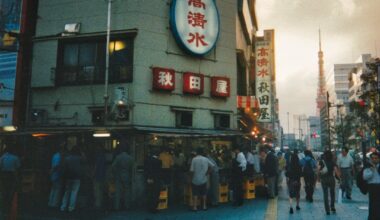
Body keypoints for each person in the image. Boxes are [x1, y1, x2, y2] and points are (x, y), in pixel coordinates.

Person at [60, 145, 84, 212]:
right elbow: (85, 160)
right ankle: (71, 207)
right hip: (76, 177)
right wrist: (82, 152)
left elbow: (64, 168)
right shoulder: (79, 158)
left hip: (68, 177)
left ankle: (63, 206)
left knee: (67, 192)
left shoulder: (67, 158)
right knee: (74, 192)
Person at [0, 143, 21, 216]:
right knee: (11, 191)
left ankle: (4, 206)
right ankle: (9, 205)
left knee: (4, 190)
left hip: (4, 175)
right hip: (12, 175)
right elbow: (18, 168)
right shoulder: (15, 158)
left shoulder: (2, 157)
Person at [189, 147, 213, 211]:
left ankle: (195, 207)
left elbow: (191, 170)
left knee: (195, 193)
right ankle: (204, 206)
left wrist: (190, 178)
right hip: (204, 178)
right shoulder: (206, 159)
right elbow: (212, 166)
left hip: (195, 179)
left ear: (196, 152)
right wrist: (207, 173)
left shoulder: (194, 159)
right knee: (204, 193)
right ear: (202, 152)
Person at [318, 149, 340, 215]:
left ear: (324, 155)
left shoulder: (321, 162)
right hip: (331, 178)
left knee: (325, 194)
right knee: (332, 193)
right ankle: (332, 206)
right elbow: (336, 170)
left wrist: (318, 178)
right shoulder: (332, 162)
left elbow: (318, 170)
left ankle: (327, 210)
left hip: (324, 179)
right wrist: (339, 178)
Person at [112, 146, 134, 211]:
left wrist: (116, 172)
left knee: (118, 191)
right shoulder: (130, 158)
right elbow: (133, 168)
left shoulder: (118, 157)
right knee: (127, 191)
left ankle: (117, 206)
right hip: (127, 175)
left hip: (118, 175)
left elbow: (113, 166)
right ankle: (127, 206)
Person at [363, 152, 380, 220]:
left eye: (376, 158)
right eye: (372, 158)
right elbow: (365, 177)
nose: (374, 160)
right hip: (372, 187)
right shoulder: (368, 166)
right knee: (372, 204)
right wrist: (372, 171)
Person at [145, 148, 162, 213]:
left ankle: (149, 207)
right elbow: (159, 172)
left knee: (150, 193)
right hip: (156, 179)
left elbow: (146, 170)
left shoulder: (147, 160)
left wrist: (148, 178)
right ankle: (154, 207)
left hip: (149, 179)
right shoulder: (159, 161)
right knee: (155, 193)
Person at [48, 143, 65, 208]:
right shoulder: (59, 156)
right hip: (57, 175)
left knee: (53, 189)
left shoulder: (54, 155)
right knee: (57, 190)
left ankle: (50, 202)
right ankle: (54, 204)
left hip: (53, 175)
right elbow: (56, 166)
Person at [93, 144, 106, 209]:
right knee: (101, 190)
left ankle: (97, 204)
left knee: (97, 191)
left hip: (97, 176)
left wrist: (93, 174)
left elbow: (96, 166)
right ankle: (100, 203)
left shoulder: (98, 157)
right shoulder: (103, 156)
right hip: (102, 175)